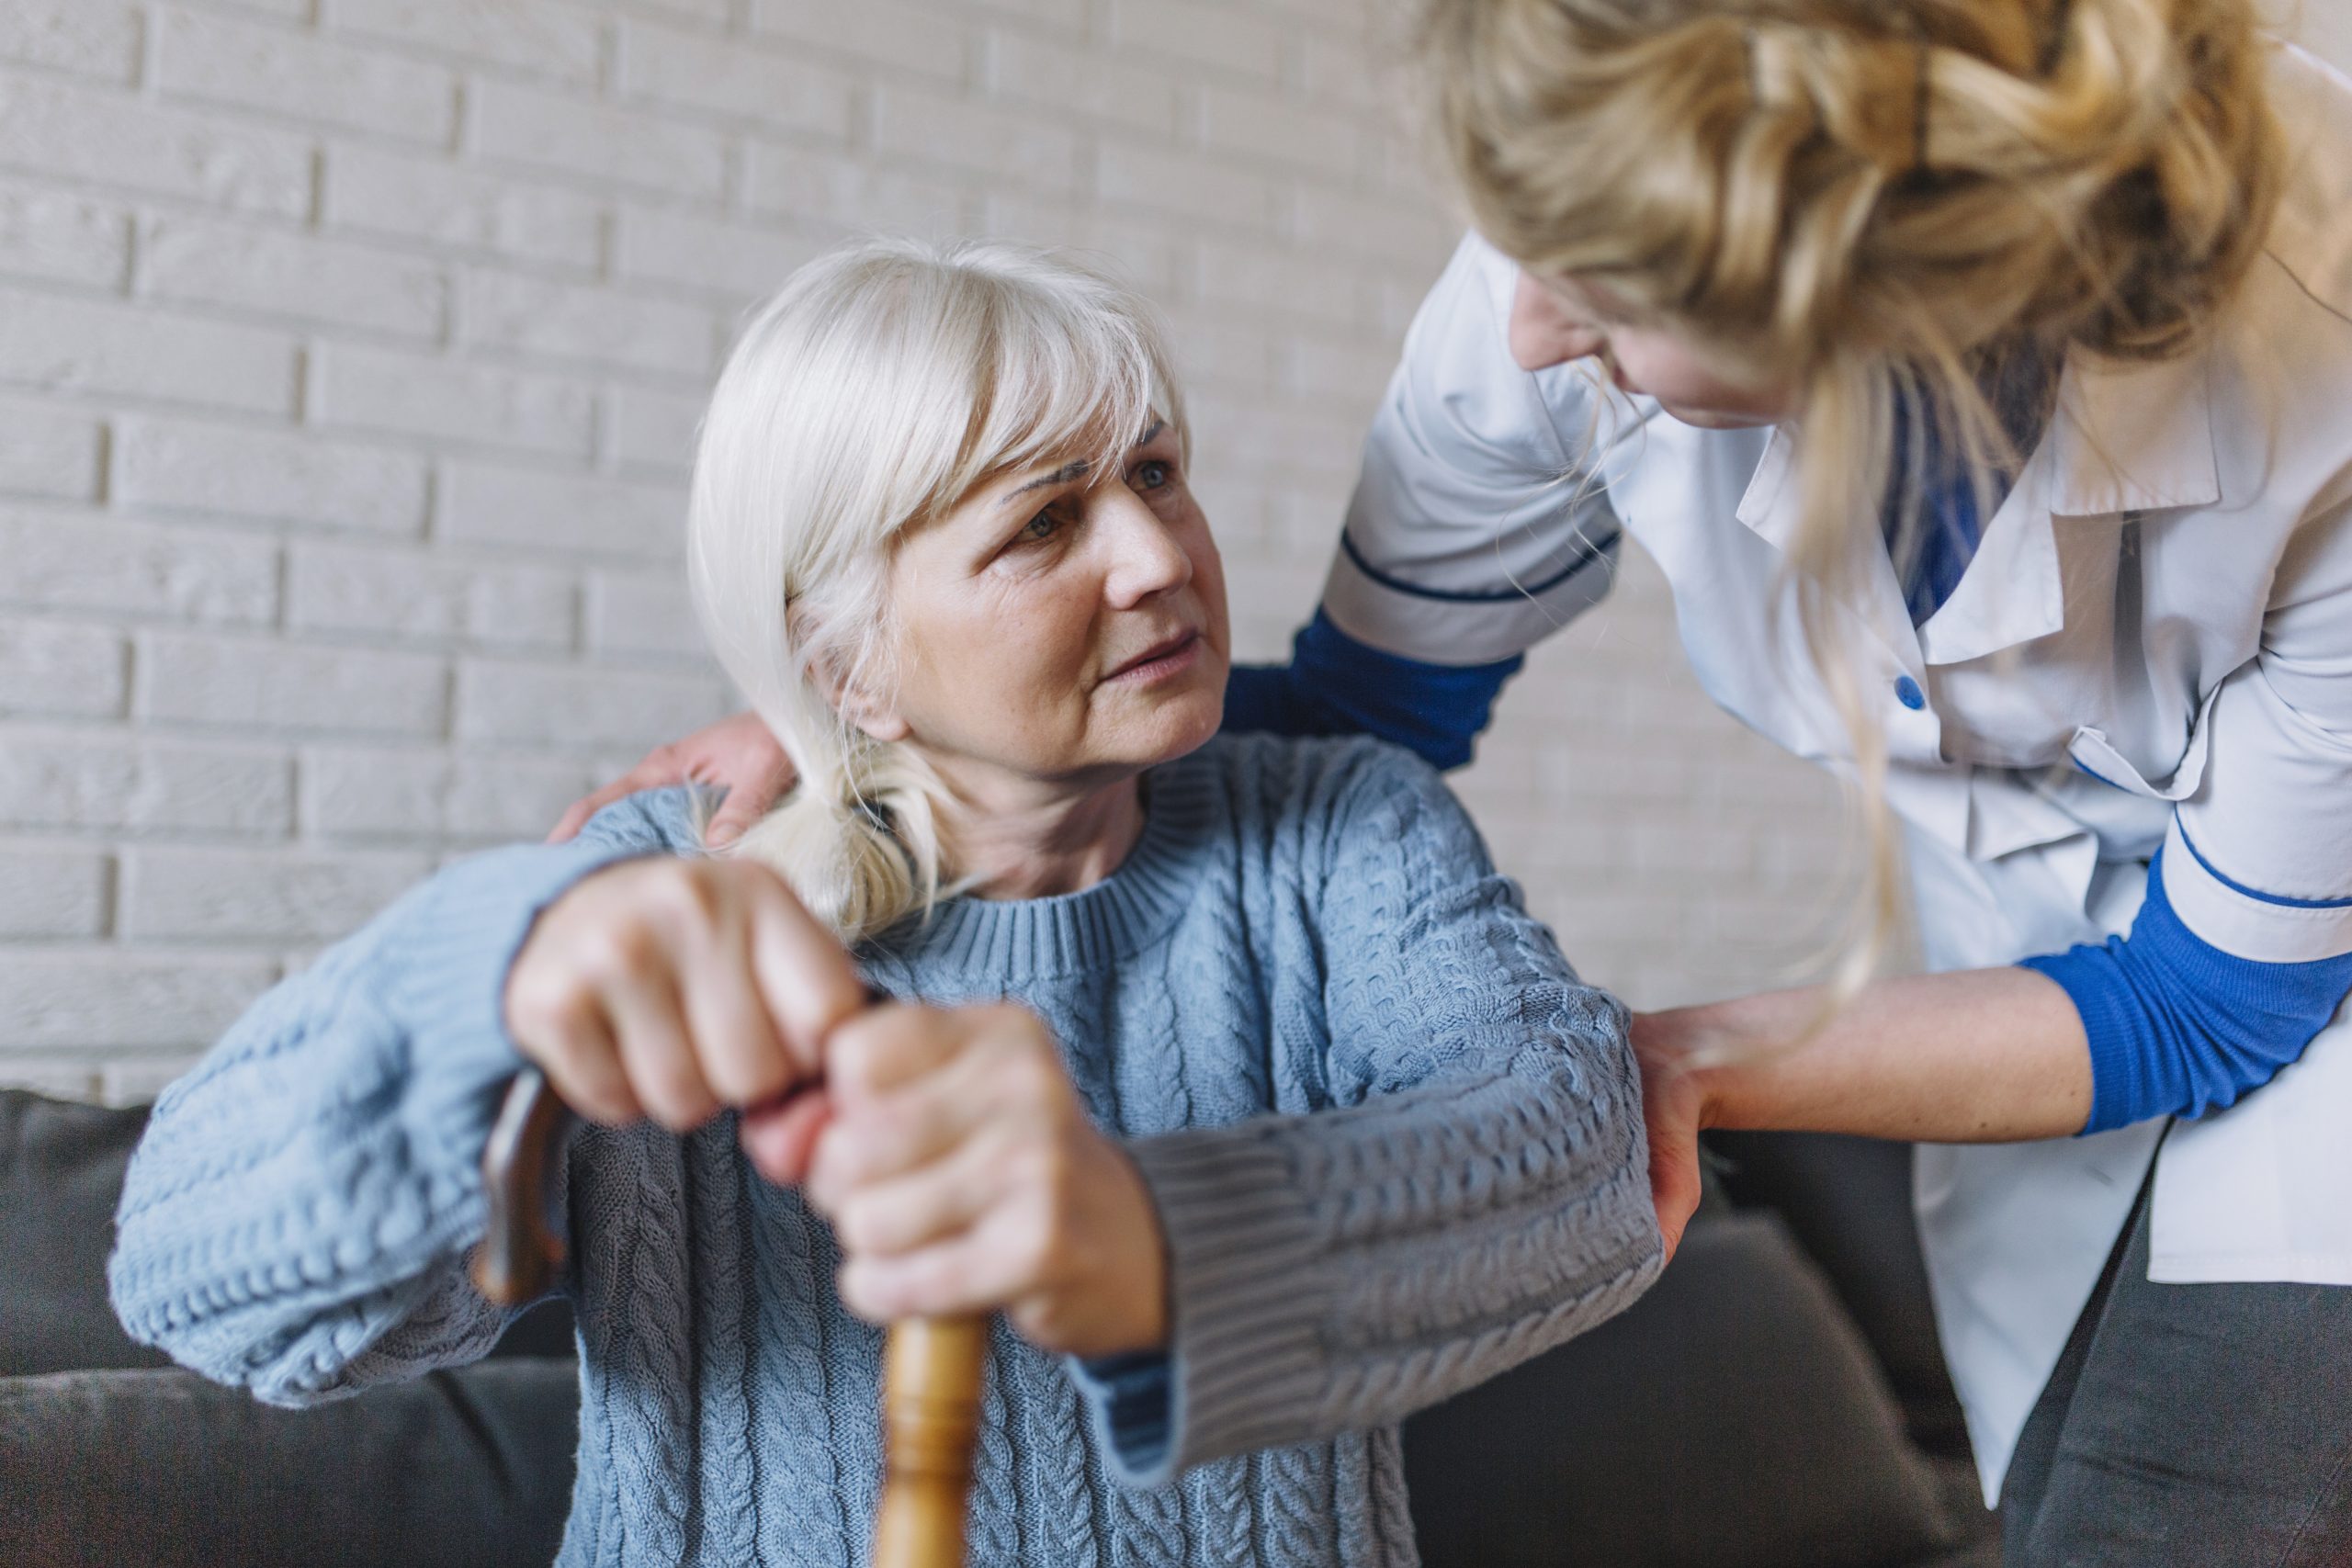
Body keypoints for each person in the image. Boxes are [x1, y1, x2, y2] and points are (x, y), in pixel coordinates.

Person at [562, 4, 2352, 1559]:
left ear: (1843, 285)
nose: (1525, 330)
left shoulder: (2316, 340)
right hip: (2049, 970)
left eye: (1596, 299)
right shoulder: (1540, 269)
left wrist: (1653, 1064)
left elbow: (2209, 995)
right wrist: (871, 748)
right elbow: (1355, 711)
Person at [107, 240, 1660, 1568]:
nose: (1156, 555)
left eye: (1158, 474)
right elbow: (196, 1287)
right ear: (845, 664)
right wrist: (480, 987)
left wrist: (1141, 1236)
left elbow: (1582, 1149)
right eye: (1043, 524)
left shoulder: (1338, 832)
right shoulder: (663, 889)